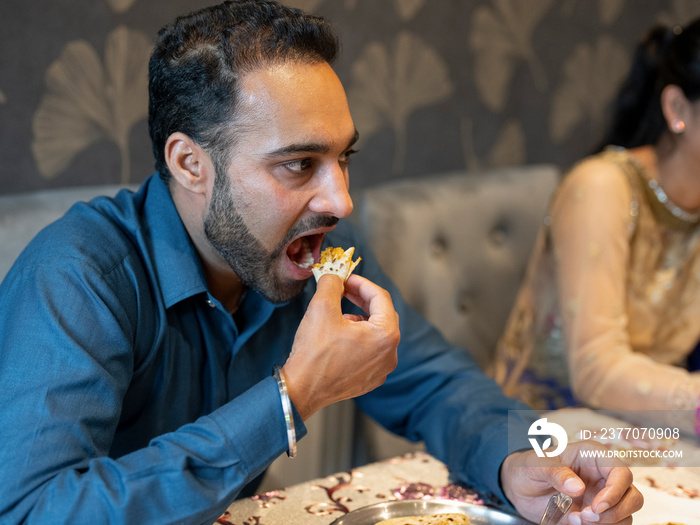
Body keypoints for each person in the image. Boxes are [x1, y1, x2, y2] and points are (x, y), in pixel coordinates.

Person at [0, 1, 642, 524]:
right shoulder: (78, 276)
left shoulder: (310, 252)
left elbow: (438, 384)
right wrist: (293, 395)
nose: (340, 199)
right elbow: (32, 511)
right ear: (189, 164)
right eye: (299, 164)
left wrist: (523, 461)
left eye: (343, 159)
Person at [493, 17, 700, 435]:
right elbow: (596, 369)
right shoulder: (602, 187)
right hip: (542, 437)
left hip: (651, 431)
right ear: (677, 109)